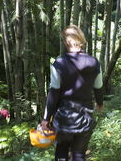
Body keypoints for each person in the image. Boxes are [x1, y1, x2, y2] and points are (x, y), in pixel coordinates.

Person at [41, 25, 104, 161]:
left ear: (65, 42)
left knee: (61, 152)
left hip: (64, 119)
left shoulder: (59, 63)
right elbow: (98, 87)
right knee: (79, 154)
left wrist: (46, 118)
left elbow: (54, 93)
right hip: (85, 116)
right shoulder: (94, 62)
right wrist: (100, 103)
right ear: (81, 40)